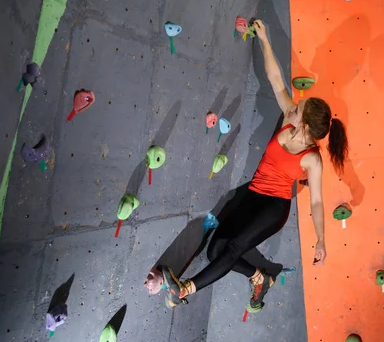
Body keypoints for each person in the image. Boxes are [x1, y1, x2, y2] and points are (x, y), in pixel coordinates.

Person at [144, 19, 349, 313]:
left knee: (231, 249)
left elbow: (316, 201)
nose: (295, 105)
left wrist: (321, 239)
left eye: (300, 107)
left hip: (273, 208)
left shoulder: (312, 159)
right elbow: (275, 78)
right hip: (254, 193)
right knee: (215, 249)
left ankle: (183, 289)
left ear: (306, 126)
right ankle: (259, 279)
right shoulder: (291, 117)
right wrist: (264, 40)